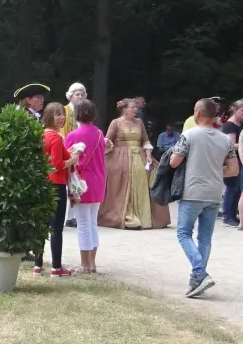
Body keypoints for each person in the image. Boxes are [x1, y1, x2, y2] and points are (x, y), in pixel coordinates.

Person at [171, 98, 236, 297]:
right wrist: (215, 170)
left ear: (197, 113)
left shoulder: (189, 135)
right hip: (215, 192)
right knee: (205, 237)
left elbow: (174, 162)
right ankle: (196, 280)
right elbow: (233, 170)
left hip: (193, 191)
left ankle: (200, 272)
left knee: (183, 234)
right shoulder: (226, 139)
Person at [99, 98, 159, 230]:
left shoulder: (139, 122)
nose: (135, 109)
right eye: (132, 107)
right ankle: (124, 214)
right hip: (120, 156)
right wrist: (108, 143)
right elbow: (108, 139)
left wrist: (148, 155)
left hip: (138, 156)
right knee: (122, 183)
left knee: (142, 180)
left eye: (135, 107)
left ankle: (142, 216)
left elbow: (145, 140)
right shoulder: (116, 123)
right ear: (124, 109)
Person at [66, 99, 107, 273]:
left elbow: (68, 160)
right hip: (99, 180)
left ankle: (84, 265)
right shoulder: (99, 133)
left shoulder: (73, 136)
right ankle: (92, 263)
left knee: (82, 223)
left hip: (81, 182)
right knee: (92, 223)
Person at [35, 102, 73, 277]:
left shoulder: (41, 135)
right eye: (58, 114)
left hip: (42, 184)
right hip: (56, 184)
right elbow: (56, 164)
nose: (62, 117)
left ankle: (38, 265)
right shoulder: (56, 138)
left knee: (41, 225)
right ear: (50, 116)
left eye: (63, 114)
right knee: (56, 227)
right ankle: (56, 267)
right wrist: (73, 160)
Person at [217, 101, 243, 226]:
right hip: (231, 160)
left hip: (239, 159)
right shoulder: (229, 125)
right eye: (242, 110)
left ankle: (232, 215)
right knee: (232, 188)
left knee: (237, 189)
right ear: (235, 110)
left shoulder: (240, 124)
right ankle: (227, 216)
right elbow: (231, 145)